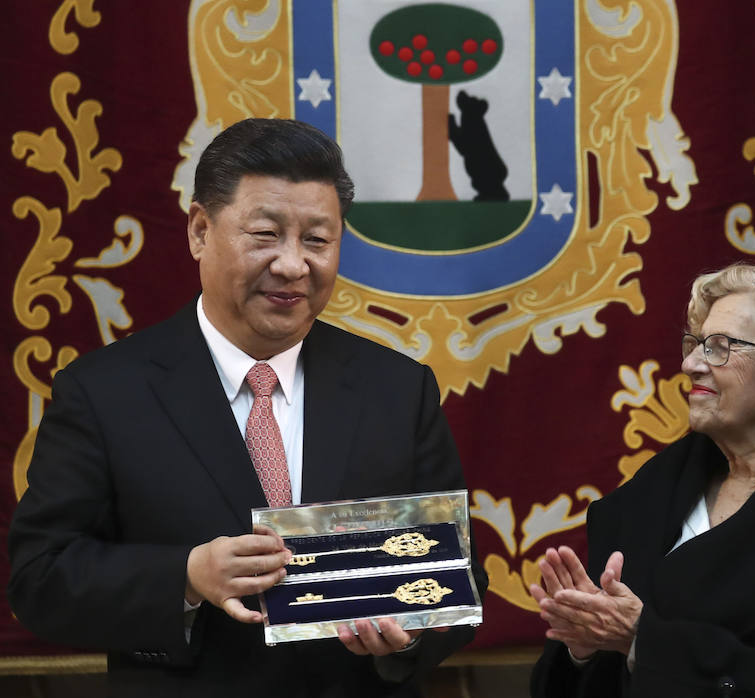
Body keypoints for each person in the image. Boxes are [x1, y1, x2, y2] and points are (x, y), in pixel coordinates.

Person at [8, 118, 487, 697]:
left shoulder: (397, 388)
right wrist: (185, 577)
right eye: (265, 234)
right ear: (200, 231)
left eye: (317, 240)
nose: (292, 265)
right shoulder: (106, 392)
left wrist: (409, 635)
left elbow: (457, 575)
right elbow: (41, 579)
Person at [530, 262, 755, 697]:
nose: (690, 364)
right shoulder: (656, 489)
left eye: (721, 347)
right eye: (696, 344)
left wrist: (645, 642)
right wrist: (583, 647)